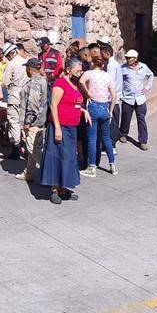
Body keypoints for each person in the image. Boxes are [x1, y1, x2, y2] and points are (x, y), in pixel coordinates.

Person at [41, 57, 90, 204]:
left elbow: (73, 102)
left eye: (81, 70)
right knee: (56, 157)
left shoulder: (76, 84)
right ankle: (55, 189)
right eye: (77, 70)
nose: (80, 73)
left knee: (69, 158)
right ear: (69, 70)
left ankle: (64, 188)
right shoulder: (60, 83)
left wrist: (82, 111)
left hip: (72, 127)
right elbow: (54, 105)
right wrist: (57, 128)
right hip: (60, 126)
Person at [80, 54, 117, 177]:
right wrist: (111, 110)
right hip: (104, 107)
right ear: (103, 65)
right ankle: (112, 165)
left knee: (92, 138)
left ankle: (92, 167)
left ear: (93, 63)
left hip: (93, 106)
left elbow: (81, 81)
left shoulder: (89, 74)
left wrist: (87, 93)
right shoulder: (107, 76)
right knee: (106, 138)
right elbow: (114, 95)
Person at [17, 58, 49, 182]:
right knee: (33, 148)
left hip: (34, 122)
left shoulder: (35, 83)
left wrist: (28, 122)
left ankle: (48, 171)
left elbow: (33, 104)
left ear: (30, 68)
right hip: (40, 120)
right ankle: (28, 173)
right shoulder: (42, 80)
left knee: (32, 148)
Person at [119, 49, 154, 150]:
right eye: (127, 58)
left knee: (141, 119)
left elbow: (151, 75)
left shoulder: (143, 67)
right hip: (127, 98)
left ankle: (143, 141)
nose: (128, 59)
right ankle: (123, 134)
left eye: (130, 58)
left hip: (140, 99)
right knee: (126, 117)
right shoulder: (123, 68)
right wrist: (120, 93)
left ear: (135, 58)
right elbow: (118, 80)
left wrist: (147, 87)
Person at [2, 42, 28, 159]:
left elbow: (6, 82)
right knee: (24, 122)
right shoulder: (26, 62)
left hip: (15, 96)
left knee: (14, 123)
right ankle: (26, 147)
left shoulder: (11, 64)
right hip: (26, 96)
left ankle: (17, 147)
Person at [101, 43, 123, 146]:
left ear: (107, 53)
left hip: (112, 98)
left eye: (103, 54)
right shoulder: (116, 64)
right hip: (116, 96)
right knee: (114, 120)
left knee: (112, 121)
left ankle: (111, 144)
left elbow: (109, 82)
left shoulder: (111, 66)